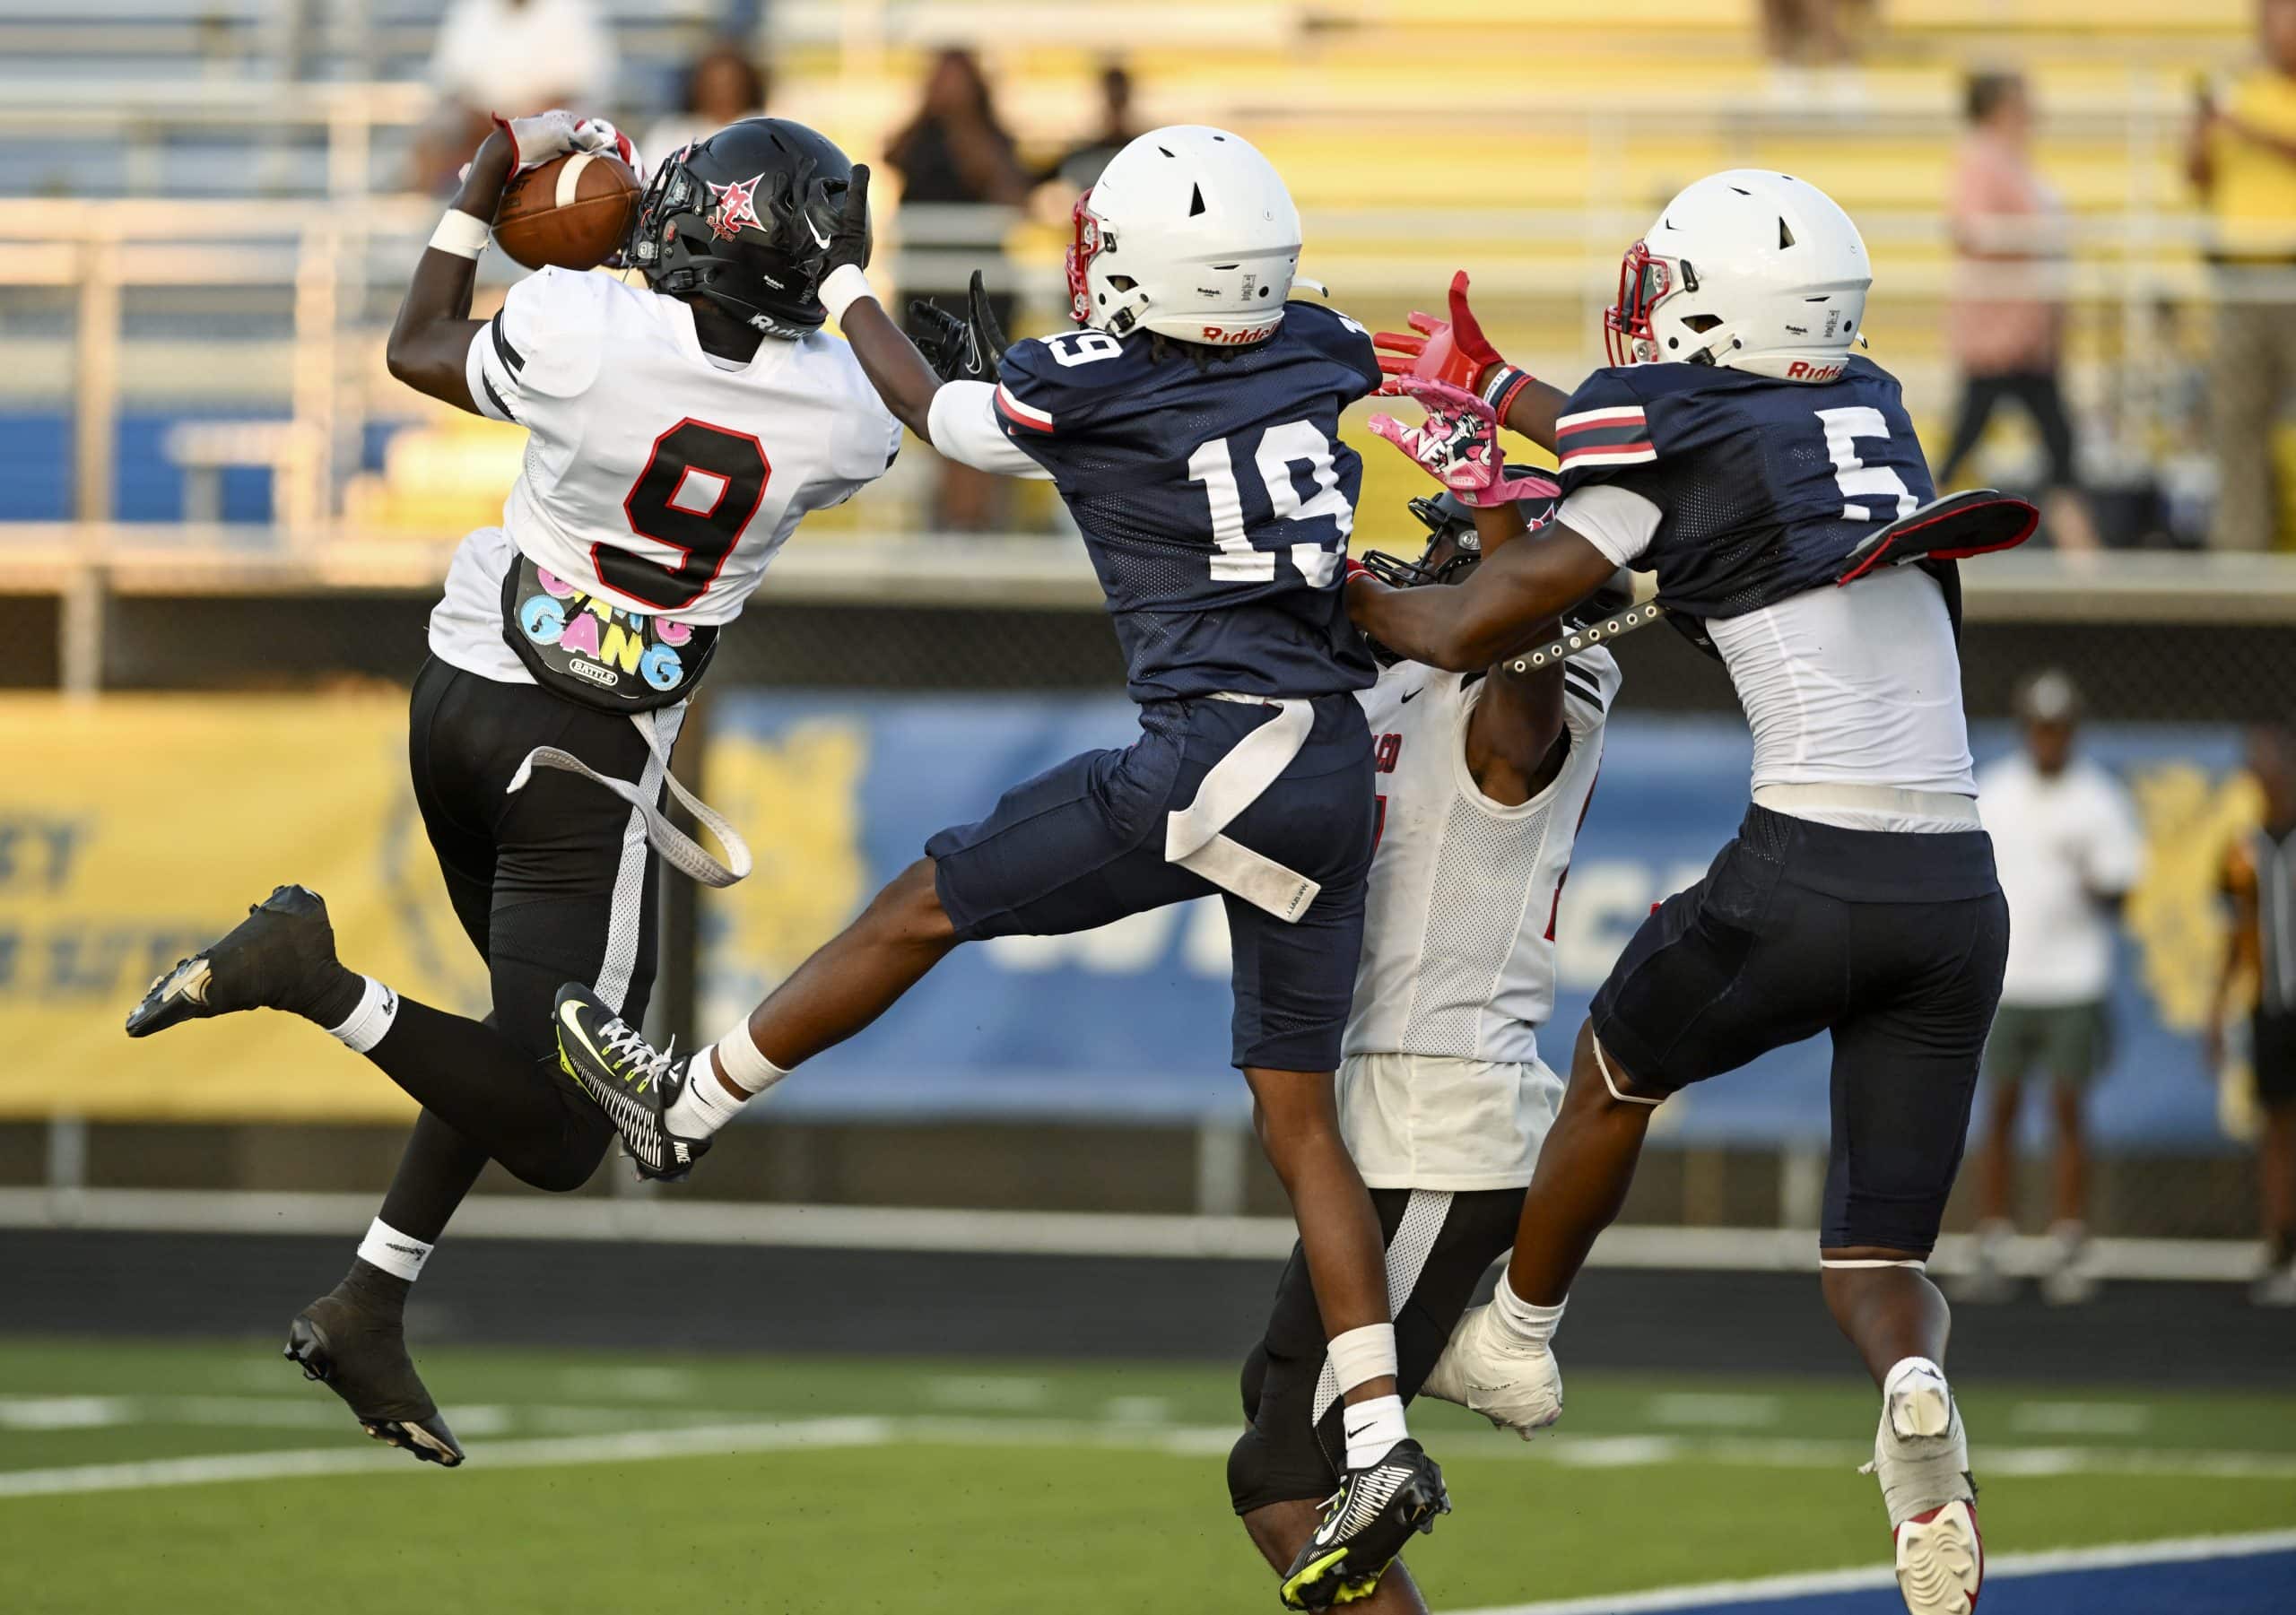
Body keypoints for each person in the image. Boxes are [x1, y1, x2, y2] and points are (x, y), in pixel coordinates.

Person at [553, 126, 1448, 1611]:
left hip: (1216, 749)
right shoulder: (1317, 344)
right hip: (1334, 765)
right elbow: (1271, 369)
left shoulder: (1117, 375)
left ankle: (685, 1107)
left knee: (926, 900)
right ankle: (1380, 1441)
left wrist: (848, 285)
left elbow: (939, 415)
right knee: (1302, 1120)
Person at [123, 115, 900, 1466]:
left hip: (463, 699)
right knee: (568, 1133)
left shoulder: (580, 322)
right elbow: (881, 399)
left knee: (510, 1044)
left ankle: (371, 1296)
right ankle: (311, 977)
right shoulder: (843, 416)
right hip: (584, 764)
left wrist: (484, 191)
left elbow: (419, 343)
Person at [1356, 170, 2027, 1615]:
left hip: (1813, 866)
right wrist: (1515, 410)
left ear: (1718, 312)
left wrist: (1329, 573)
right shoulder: (1879, 407)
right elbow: (1711, 456)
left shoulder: (1674, 435)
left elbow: (1480, 615)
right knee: (1881, 1255)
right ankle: (1916, 1395)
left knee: (1613, 1066)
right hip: (1962, 896)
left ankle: (1520, 1335)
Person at [1231, 477, 1621, 1615]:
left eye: (1454, 551)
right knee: (1278, 1395)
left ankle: (1474, 1352)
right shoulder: (1418, 679)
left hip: (1441, 1129)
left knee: (1287, 1471)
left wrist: (1505, 544)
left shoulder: (1540, 690)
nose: (1422, 566)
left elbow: (1523, 677)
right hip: (1388, 1121)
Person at [1966, 670, 2143, 1305]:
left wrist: (2093, 880)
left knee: (2068, 1108)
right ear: (2025, 729)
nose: (2049, 739)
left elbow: (2123, 887)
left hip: (2073, 976)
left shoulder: (2097, 798)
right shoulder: (1996, 789)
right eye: (2040, 727)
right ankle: (1994, 1238)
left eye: (2059, 727)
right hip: (2007, 977)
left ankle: (2068, 1239)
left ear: (2073, 730)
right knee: (2001, 1108)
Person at [1936, 72, 2100, 553]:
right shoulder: (1981, 158)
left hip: (2026, 327)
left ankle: (2082, 546)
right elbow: (1971, 230)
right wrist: (2036, 240)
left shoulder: (2011, 160)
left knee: (2049, 435)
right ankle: (2081, 547)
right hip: (1999, 328)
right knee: (1987, 430)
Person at [885, 48, 1031, 531]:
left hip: (977, 298)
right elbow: (890, 155)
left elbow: (1008, 192)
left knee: (981, 406)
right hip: (924, 295)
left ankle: (977, 523)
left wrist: (963, 121)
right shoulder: (920, 136)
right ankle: (949, 522)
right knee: (935, 407)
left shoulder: (991, 136)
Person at [2187, 0, 2296, 551]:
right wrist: (2202, 129)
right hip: (2239, 278)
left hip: (2292, 275)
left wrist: (2240, 124)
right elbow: (2197, 177)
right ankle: (2240, 558)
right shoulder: (2239, 89)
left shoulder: (2246, 106)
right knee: (2237, 424)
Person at [2209, 724, 2296, 1305]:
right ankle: (2281, 1244)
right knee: (2277, 1127)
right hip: (2270, 1007)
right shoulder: (2242, 849)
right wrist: (2216, 1008)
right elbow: (2234, 935)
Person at [413, 0, 619, 192]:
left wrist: (518, 127)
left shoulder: (571, 9)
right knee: (434, 136)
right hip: (481, 124)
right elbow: (452, 84)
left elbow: (577, 88)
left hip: (547, 124)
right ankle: (433, 220)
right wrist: (493, 124)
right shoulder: (472, 8)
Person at [641, 39, 769, 163]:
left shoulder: (766, 131)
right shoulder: (670, 134)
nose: (722, 94)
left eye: (731, 84)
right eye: (713, 85)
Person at [1044, 60, 1140, 194]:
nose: (1115, 103)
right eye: (1111, 97)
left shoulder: (1144, 151)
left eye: (1119, 97)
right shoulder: (1079, 157)